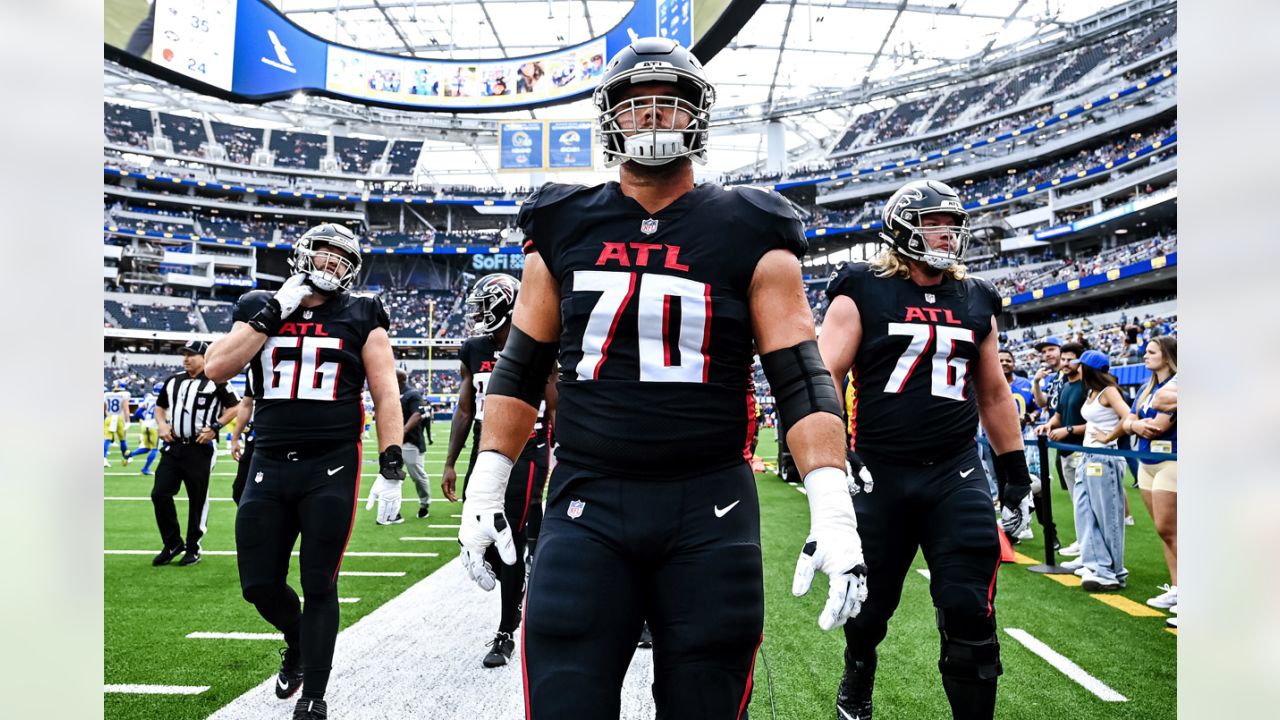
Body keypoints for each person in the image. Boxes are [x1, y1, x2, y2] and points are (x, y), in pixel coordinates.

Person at [456, 37, 867, 719]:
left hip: (710, 510)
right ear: (610, 118)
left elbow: (801, 377)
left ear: (696, 117)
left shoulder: (748, 225)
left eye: (667, 104)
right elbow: (521, 367)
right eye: (635, 105)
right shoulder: (563, 222)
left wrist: (834, 506)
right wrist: (488, 484)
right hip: (587, 501)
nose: (651, 118)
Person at [819, 179, 1035, 720]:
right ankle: (858, 672)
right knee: (869, 607)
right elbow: (825, 375)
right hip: (878, 473)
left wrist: (1014, 473)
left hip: (954, 474)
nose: (947, 233)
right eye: (935, 221)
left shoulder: (976, 296)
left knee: (970, 609)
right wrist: (833, 454)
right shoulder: (862, 287)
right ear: (901, 228)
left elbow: (992, 392)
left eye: (953, 223)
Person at [204, 223, 404, 720]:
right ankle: (296, 641)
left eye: (342, 259)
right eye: (325, 254)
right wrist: (275, 310)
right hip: (268, 461)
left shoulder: (362, 312)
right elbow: (216, 368)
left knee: (319, 582)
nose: (332, 265)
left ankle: (314, 696)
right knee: (258, 584)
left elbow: (385, 392)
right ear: (303, 254)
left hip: (331, 462)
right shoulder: (259, 305)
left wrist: (393, 460)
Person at [441, 273, 556, 669]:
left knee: (513, 538)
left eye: (486, 304)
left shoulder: (540, 343)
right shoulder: (474, 349)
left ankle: (506, 630)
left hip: (528, 451)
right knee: (485, 539)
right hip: (484, 450)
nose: (479, 314)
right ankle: (515, 604)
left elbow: (556, 407)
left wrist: (560, 458)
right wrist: (452, 461)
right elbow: (465, 409)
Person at [151, 340, 239, 568]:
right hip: (174, 446)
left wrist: (216, 427)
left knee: (197, 497)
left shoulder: (216, 380)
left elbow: (235, 406)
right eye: (184, 354)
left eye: (192, 354)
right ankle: (172, 543)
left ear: (205, 356)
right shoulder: (173, 381)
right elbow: (160, 407)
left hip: (200, 447)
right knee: (159, 493)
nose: (186, 358)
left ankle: (193, 547)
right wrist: (162, 425)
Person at [1119, 337, 1178, 608]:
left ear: (1166, 356)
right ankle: (1177, 587)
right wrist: (1135, 426)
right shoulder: (1145, 388)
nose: (1144, 356)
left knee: (1172, 529)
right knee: (1163, 531)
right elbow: (1127, 420)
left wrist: (1136, 425)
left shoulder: (1175, 384)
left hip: (1171, 462)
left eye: (1151, 352)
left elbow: (1159, 426)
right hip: (1146, 463)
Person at [1073, 350, 1130, 591]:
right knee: (1084, 511)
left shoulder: (1109, 391)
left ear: (1088, 369)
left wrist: (1108, 437)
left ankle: (1113, 572)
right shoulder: (1092, 392)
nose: (1076, 369)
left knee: (1107, 516)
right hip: (1088, 456)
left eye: (1080, 366)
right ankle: (1097, 564)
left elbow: (1128, 416)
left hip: (1104, 457)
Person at [1034, 342, 1087, 555]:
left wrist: (1068, 429)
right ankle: (1083, 544)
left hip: (1084, 449)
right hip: (1065, 449)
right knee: (1077, 500)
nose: (1065, 363)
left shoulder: (1088, 384)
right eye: (1063, 359)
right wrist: (1050, 425)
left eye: (1069, 359)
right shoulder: (1064, 385)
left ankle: (1091, 550)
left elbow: (1100, 421)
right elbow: (1056, 413)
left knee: (1087, 502)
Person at [397, 368, 433, 520]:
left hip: (410, 442)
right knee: (391, 477)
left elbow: (417, 414)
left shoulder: (411, 394)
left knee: (417, 475)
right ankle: (393, 510)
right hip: (394, 441)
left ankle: (425, 504)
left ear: (399, 380)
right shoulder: (392, 393)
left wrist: (403, 431)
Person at [229, 376, 256, 506]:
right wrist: (235, 438)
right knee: (239, 491)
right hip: (255, 440)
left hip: (283, 439)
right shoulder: (254, 369)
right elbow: (246, 404)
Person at [126, 382, 164, 475]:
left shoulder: (149, 398)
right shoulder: (164, 399)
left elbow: (137, 412)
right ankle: (145, 469)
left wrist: (145, 419)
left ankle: (130, 454)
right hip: (154, 426)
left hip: (145, 425)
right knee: (154, 449)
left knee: (147, 448)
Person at [103, 379, 133, 467]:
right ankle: (126, 456)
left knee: (107, 439)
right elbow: (126, 408)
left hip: (109, 417)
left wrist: (107, 416)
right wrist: (128, 421)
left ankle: (103, 459)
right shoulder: (124, 394)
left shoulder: (107, 394)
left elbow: (103, 408)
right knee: (122, 439)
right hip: (118, 418)